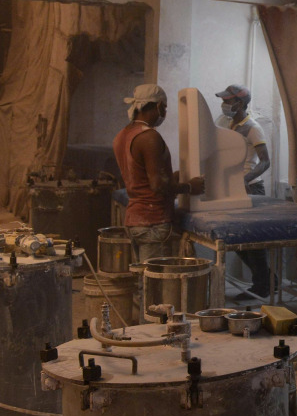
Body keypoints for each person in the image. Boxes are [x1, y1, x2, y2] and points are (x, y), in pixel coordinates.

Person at [112, 84, 205, 262]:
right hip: (152, 221)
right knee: (157, 284)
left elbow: (141, 176)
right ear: (159, 105)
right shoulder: (149, 137)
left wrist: (173, 176)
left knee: (145, 279)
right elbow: (157, 186)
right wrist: (189, 187)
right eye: (165, 108)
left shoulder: (123, 135)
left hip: (134, 219)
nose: (165, 113)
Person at [214, 84, 274, 298]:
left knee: (253, 241)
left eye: (228, 101)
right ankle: (266, 279)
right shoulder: (231, 126)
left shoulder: (253, 127)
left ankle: (262, 284)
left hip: (251, 188)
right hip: (233, 188)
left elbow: (265, 162)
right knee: (236, 240)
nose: (224, 105)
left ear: (239, 103)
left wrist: (245, 179)